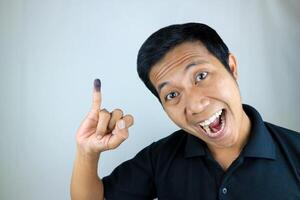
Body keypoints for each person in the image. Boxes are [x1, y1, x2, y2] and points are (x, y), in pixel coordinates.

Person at [70, 23, 300, 200]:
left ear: (231, 67)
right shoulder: (159, 157)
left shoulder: (294, 151)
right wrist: (87, 152)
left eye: (201, 76)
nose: (195, 106)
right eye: (172, 94)